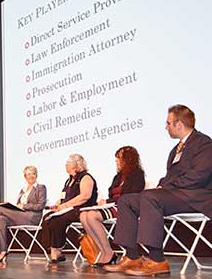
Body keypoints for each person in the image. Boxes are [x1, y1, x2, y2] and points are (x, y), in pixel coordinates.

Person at [103, 104, 212, 276]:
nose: (166, 127)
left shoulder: (204, 143)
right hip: (176, 195)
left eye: (168, 123)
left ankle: (157, 260)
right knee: (127, 200)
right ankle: (132, 256)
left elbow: (199, 175)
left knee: (151, 196)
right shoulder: (174, 150)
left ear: (179, 124)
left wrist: (165, 187)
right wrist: (162, 185)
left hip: (195, 197)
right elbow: (171, 177)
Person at [80, 146, 145, 266]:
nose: (116, 161)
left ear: (128, 159)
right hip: (113, 204)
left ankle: (108, 252)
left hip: (126, 207)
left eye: (119, 158)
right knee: (84, 216)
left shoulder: (138, 175)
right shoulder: (118, 176)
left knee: (92, 217)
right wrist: (107, 201)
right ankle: (104, 251)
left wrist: (109, 200)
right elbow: (111, 191)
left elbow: (131, 195)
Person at [0, 166, 46, 262]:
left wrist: (24, 206)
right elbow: (19, 205)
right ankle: (2, 251)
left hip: (32, 217)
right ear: (25, 176)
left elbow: (40, 206)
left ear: (36, 175)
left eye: (33, 173)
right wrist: (15, 207)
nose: (31, 176)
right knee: (0, 219)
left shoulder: (40, 188)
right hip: (21, 216)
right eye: (29, 174)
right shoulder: (23, 190)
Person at [42, 153, 98, 263]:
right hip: (67, 209)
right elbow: (63, 196)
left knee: (57, 220)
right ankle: (53, 248)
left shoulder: (86, 177)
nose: (65, 165)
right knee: (47, 217)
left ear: (75, 165)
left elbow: (85, 196)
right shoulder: (69, 180)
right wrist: (57, 206)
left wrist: (64, 206)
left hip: (82, 210)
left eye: (67, 163)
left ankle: (57, 250)